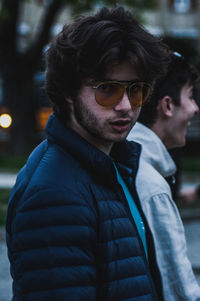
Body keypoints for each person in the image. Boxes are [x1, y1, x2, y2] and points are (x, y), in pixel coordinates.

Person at [6, 6, 170, 301]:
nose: (125, 106)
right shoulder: (53, 195)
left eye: (136, 90)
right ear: (68, 92)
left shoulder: (112, 165)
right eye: (107, 89)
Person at [128, 52, 200, 301]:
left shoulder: (123, 160)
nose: (195, 108)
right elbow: (178, 289)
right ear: (167, 105)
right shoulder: (150, 184)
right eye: (190, 97)